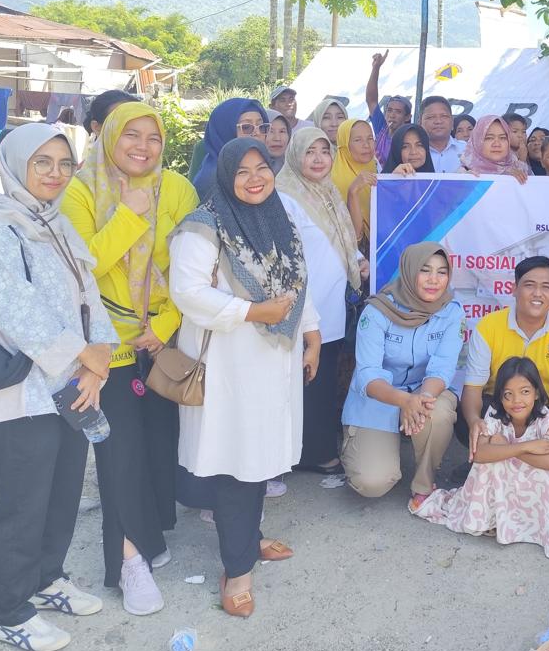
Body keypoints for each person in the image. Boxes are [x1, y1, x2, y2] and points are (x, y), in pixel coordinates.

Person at [0, 122, 120, 651]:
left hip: (71, 386)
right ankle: (9, 611)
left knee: (62, 491)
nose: (55, 173)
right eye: (42, 163)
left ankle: (47, 579)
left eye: (64, 163)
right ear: (15, 165)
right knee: (22, 502)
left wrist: (99, 360)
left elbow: (89, 293)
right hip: (22, 393)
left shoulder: (56, 223)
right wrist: (84, 355)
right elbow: (15, 309)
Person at [168, 139, 322, 619]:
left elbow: (297, 281)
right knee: (239, 463)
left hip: (276, 358)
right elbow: (187, 293)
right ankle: (236, 571)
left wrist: (312, 331)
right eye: (242, 171)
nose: (255, 178)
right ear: (225, 175)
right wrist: (252, 311)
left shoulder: (279, 216)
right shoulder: (203, 226)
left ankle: (249, 539)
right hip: (232, 365)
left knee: (261, 456)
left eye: (262, 168)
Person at [61, 101, 199, 616]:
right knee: (119, 453)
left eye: (153, 137)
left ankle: (150, 535)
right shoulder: (80, 191)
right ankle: (127, 562)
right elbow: (82, 269)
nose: (143, 147)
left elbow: (198, 267)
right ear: (108, 137)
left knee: (158, 445)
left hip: (162, 340)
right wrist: (129, 215)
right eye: (131, 135)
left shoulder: (178, 189)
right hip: (103, 347)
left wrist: (164, 326)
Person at [414, 357, 549, 559]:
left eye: (525, 392)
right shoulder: (494, 414)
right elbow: (478, 454)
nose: (516, 400)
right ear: (500, 396)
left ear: (537, 392)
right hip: (503, 483)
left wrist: (506, 449)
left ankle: (521, 522)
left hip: (529, 489)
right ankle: (492, 518)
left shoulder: (547, 419)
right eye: (508, 394)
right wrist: (525, 447)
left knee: (527, 465)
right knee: (490, 459)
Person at [276, 127, 367, 489]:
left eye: (324, 151)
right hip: (304, 309)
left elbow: (340, 237)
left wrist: (357, 260)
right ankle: (309, 453)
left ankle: (313, 449)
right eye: (309, 152)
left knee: (322, 378)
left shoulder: (327, 191)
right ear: (295, 155)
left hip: (331, 307)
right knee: (305, 381)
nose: (318, 159)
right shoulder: (286, 196)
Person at [341, 242, 462, 509]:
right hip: (378, 398)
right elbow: (369, 374)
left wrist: (421, 399)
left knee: (439, 412)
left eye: (442, 272)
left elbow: (442, 368)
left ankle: (423, 483)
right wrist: (404, 401)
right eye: (425, 270)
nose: (434, 280)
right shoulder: (377, 311)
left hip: (423, 392)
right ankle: (360, 448)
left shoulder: (451, 311)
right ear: (409, 271)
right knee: (372, 483)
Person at [460, 256, 549, 463]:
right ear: (514, 289)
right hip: (501, 404)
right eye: (529, 285)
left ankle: (537, 465)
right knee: (465, 418)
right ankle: (486, 463)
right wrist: (474, 421)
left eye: (546, 287)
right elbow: (473, 389)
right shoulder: (488, 326)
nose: (537, 293)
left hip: (547, 408)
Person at [191, 98, 269, 202]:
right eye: (247, 127)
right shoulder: (215, 178)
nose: (257, 133)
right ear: (225, 132)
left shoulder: (261, 165)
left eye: (261, 127)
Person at [331, 117, 378, 243]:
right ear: (345, 145)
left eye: (370, 138)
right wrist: (353, 192)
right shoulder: (333, 184)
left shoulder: (376, 168)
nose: (366, 145)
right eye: (358, 140)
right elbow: (353, 236)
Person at [364, 51, 409, 166]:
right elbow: (371, 100)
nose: (392, 115)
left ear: (407, 117)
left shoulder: (411, 137)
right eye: (389, 110)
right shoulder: (381, 130)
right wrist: (376, 68)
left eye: (398, 112)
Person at [459, 114, 529, 181]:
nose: (497, 144)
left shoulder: (516, 167)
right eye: (489, 138)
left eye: (502, 138)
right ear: (477, 141)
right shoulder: (464, 173)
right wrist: (466, 182)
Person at [419, 96, 467, 173]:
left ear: (452, 121)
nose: (438, 121)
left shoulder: (467, 150)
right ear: (420, 122)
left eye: (444, 116)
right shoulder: (412, 154)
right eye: (431, 117)